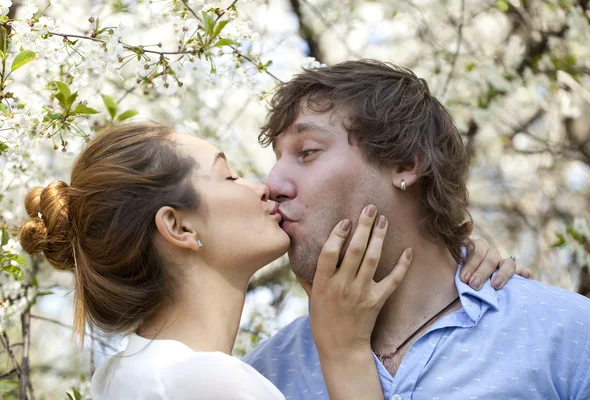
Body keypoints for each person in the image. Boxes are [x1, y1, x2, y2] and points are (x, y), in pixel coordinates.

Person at [19, 122, 516, 399]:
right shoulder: (207, 384)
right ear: (179, 227)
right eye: (229, 177)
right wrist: (344, 355)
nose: (264, 186)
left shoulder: (124, 375)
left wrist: (448, 259)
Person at [243, 60, 590, 399]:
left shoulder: (569, 336)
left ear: (405, 164)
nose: (272, 183)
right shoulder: (263, 378)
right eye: (276, 159)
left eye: (307, 152)